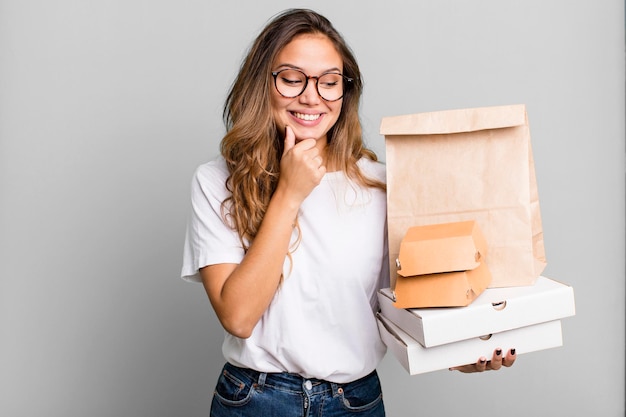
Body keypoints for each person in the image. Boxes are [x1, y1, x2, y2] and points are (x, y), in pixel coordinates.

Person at [181, 8, 515, 416]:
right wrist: (289, 192)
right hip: (257, 399)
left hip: (354, 402)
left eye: (329, 82)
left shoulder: (381, 184)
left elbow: (398, 311)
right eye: (291, 78)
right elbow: (238, 317)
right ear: (262, 83)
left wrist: (459, 353)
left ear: (345, 91)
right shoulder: (218, 181)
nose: (311, 96)